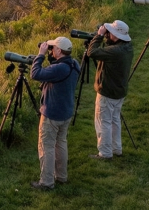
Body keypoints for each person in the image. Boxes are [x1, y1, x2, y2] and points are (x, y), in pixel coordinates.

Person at [29, 36, 81, 190]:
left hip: (52, 113)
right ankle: (61, 176)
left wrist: (40, 55)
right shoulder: (74, 63)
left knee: (47, 146)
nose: (51, 51)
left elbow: (35, 74)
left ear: (59, 50)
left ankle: (46, 182)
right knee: (61, 143)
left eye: (52, 49)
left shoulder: (59, 69)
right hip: (66, 111)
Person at [86, 20, 133, 159]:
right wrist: (106, 38)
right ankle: (116, 148)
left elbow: (91, 52)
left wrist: (99, 36)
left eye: (110, 33)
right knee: (114, 120)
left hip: (108, 91)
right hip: (119, 90)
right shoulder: (127, 47)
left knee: (103, 123)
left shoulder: (115, 52)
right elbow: (107, 49)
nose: (108, 34)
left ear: (116, 36)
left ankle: (105, 153)